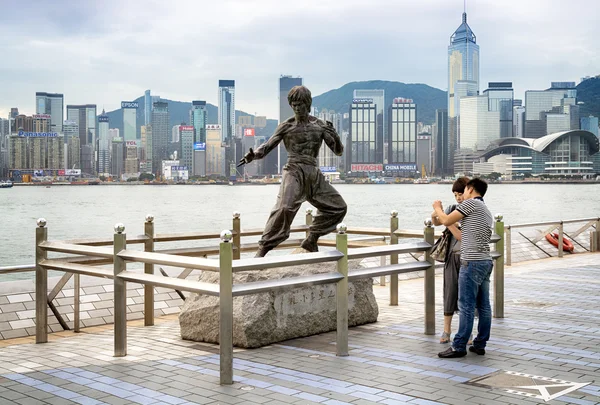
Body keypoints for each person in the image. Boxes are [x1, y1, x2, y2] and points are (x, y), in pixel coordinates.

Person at [238, 85, 347, 257]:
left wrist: (334, 134)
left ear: (308, 104)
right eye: (294, 105)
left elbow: (338, 151)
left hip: (313, 173)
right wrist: (254, 156)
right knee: (284, 209)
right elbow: (266, 147)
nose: (297, 108)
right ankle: (262, 250)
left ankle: (312, 238)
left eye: (301, 104)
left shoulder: (320, 126)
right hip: (294, 170)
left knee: (338, 207)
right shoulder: (286, 126)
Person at [432, 178, 493, 358]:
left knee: (465, 305)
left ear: (471, 189)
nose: (462, 195)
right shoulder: (485, 210)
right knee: (483, 306)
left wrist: (437, 207)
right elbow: (461, 234)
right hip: (485, 261)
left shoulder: (471, 204)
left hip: (471, 262)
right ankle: (480, 343)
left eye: (464, 191)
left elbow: (445, 220)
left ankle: (458, 346)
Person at [431, 177, 468, 344]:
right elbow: (437, 221)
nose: (458, 197)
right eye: (455, 194)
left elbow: (459, 234)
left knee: (467, 296)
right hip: (451, 257)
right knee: (449, 293)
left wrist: (447, 221)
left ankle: (466, 331)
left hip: (467, 256)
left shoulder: (472, 209)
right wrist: (436, 213)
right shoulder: (452, 208)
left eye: (461, 193)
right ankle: (446, 329)